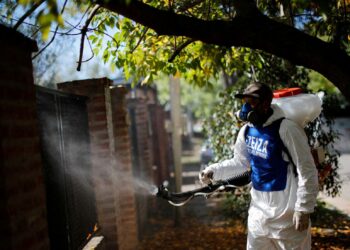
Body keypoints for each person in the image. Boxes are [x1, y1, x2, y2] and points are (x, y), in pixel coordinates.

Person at [199, 82, 319, 250]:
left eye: (252, 102)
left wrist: (304, 208)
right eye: (245, 102)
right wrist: (214, 171)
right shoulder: (247, 131)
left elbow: (307, 169)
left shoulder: (287, 129)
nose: (247, 107)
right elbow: (240, 162)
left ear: (265, 104)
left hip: (287, 218)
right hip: (259, 215)